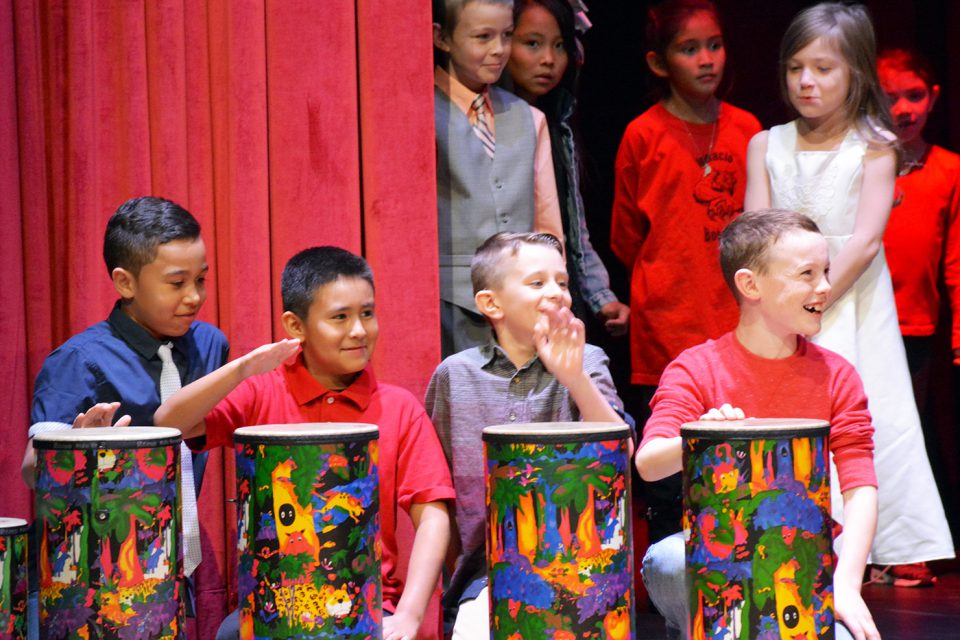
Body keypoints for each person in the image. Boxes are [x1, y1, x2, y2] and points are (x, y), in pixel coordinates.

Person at [744, 2, 954, 585]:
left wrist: (815, 299)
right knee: (785, 413)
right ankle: (791, 540)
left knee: (863, 414)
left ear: (855, 73)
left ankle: (871, 545)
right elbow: (754, 229)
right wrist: (776, 301)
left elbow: (864, 242)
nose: (806, 82)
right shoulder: (767, 144)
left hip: (849, 299)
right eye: (794, 69)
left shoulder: (875, 148)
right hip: (780, 303)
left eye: (822, 69)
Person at [153, 246, 455, 640]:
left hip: (362, 604)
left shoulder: (399, 408)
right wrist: (243, 368)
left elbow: (432, 515)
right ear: (296, 326)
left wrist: (411, 615)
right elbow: (168, 421)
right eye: (340, 318)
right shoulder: (261, 392)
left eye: (367, 313)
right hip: (271, 606)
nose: (360, 330)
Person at [636, 209, 880, 640]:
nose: (824, 286)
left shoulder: (837, 375)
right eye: (806, 273)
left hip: (796, 567)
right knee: (671, 560)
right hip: (713, 559)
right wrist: (703, 436)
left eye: (824, 271)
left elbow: (860, 486)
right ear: (750, 285)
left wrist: (845, 584)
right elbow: (649, 464)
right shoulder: (697, 369)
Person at [23, 196, 229, 638]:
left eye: (201, 279)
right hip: (86, 584)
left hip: (170, 574)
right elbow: (30, 468)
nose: (194, 297)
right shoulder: (78, 361)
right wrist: (71, 453)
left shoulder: (211, 346)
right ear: (125, 282)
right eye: (176, 284)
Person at [609, 0, 761, 543]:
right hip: (668, 326)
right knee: (672, 472)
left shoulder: (747, 129)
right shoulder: (642, 134)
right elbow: (627, 233)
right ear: (658, 62)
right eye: (688, 48)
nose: (706, 60)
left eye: (714, 45)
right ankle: (673, 584)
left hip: (735, 321)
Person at [425, 231, 625, 637]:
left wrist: (574, 379)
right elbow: (436, 492)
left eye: (563, 283)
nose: (556, 293)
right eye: (537, 283)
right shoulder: (454, 375)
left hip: (584, 570)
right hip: (487, 577)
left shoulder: (588, 361)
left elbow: (622, 453)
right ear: (490, 303)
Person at [433, 0, 564, 356]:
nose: (499, 50)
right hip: (447, 305)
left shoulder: (527, 117)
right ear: (442, 39)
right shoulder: (421, 110)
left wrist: (555, 290)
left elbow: (547, 220)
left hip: (521, 311)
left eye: (506, 36)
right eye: (483, 37)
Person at [502, 0, 629, 334]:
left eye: (559, 46)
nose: (548, 59)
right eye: (533, 44)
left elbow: (574, 230)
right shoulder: (494, 127)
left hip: (559, 300)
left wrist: (601, 297)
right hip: (515, 299)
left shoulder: (559, 128)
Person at [878, 48, 960, 398]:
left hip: (914, 325)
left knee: (905, 425)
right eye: (890, 99)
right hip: (860, 317)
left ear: (933, 97)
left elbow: (957, 260)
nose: (904, 110)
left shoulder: (949, 169)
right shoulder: (858, 164)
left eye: (915, 96)